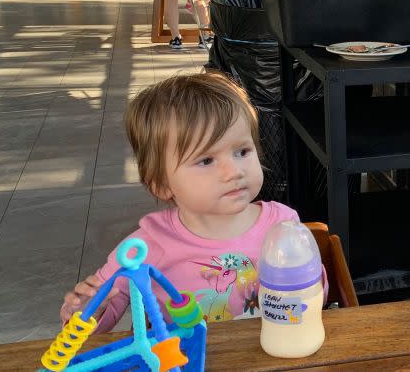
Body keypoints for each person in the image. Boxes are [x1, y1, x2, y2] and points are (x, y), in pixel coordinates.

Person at [60, 72, 325, 331]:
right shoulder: (147, 245)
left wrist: (311, 284)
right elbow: (105, 308)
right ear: (161, 184)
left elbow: (313, 304)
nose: (234, 171)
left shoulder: (282, 224)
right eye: (206, 160)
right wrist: (87, 310)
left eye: (242, 151)